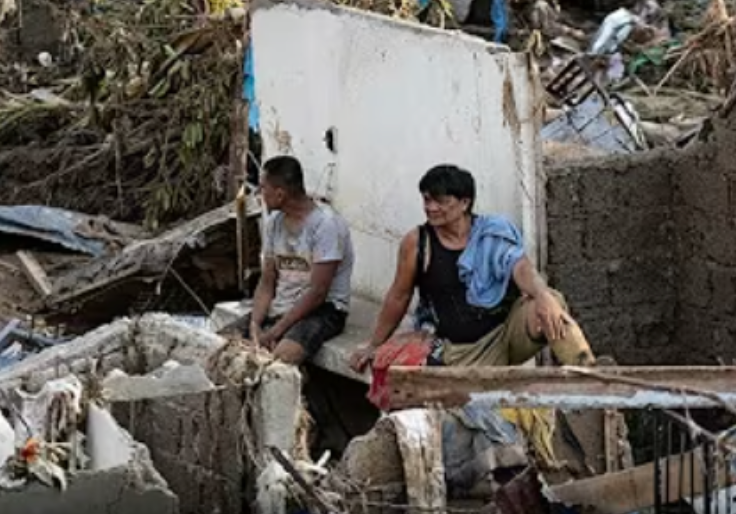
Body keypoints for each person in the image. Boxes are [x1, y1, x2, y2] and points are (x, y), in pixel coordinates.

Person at [350, 164, 594, 372]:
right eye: (427, 199)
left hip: (505, 335)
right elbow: (399, 295)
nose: (431, 207)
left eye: (441, 201)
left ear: (464, 202)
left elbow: (521, 267)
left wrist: (542, 295)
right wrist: (374, 344)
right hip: (456, 352)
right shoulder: (417, 243)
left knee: (551, 302)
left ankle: (589, 374)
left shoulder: (492, 233)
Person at [240, 155, 355, 365]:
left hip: (324, 310)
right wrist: (255, 324)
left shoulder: (326, 225)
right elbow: (267, 281)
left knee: (279, 361)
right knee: (227, 346)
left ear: (280, 194)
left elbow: (318, 293)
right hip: (283, 305)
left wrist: (276, 331)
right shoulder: (274, 222)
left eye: (263, 188)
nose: (259, 194)